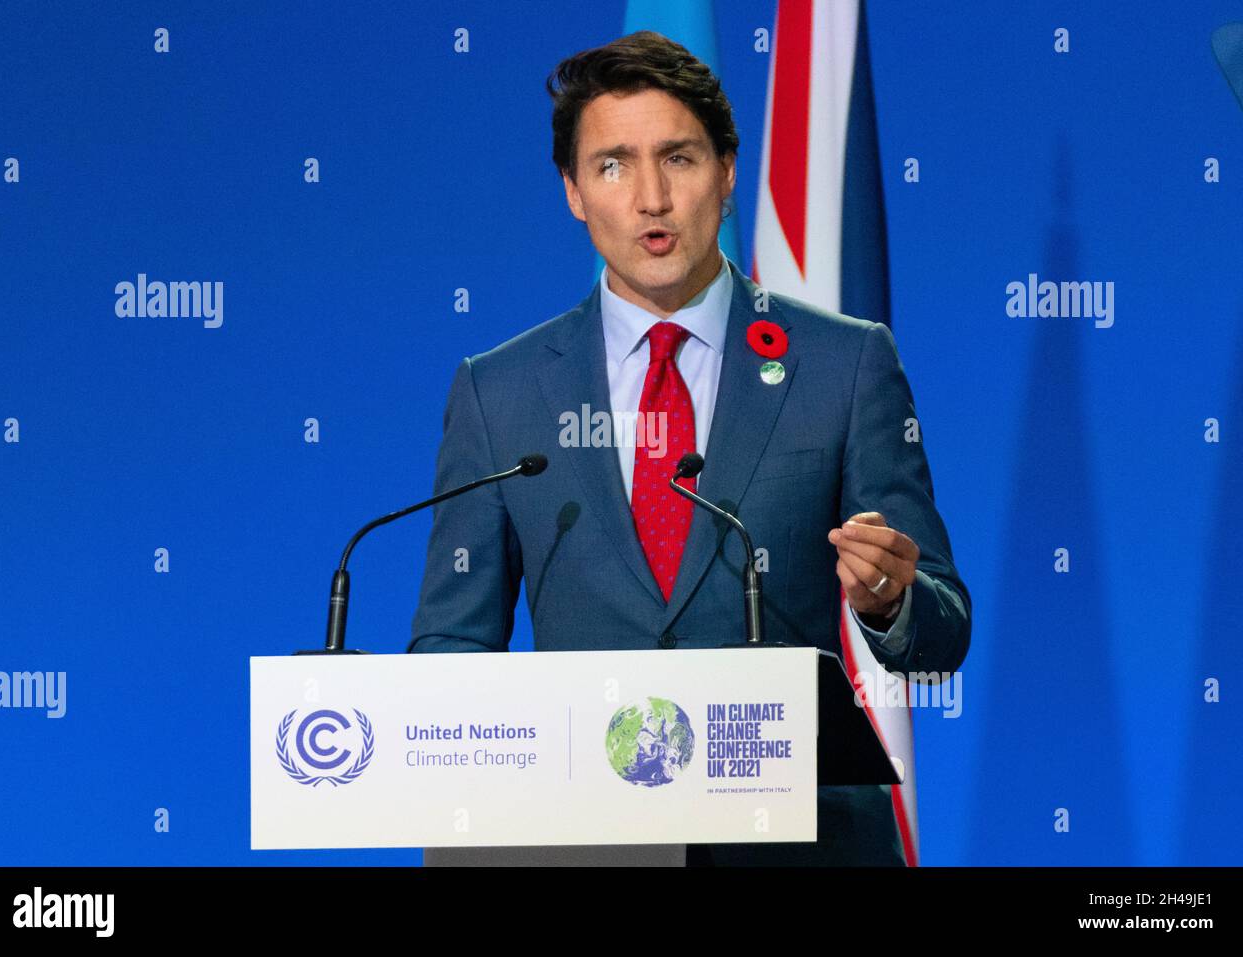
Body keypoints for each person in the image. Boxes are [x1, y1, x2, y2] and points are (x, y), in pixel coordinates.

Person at [408, 31, 971, 866]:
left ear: (729, 171)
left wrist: (891, 601)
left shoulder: (845, 363)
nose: (650, 199)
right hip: (585, 845)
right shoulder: (502, 391)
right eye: (611, 165)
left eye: (678, 158)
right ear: (571, 190)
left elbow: (942, 632)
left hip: (800, 841)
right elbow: (451, 646)